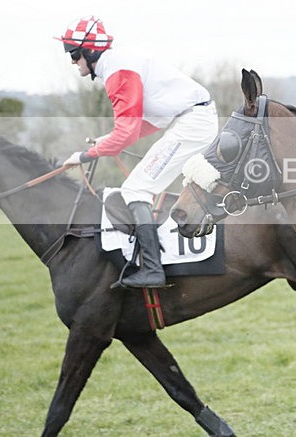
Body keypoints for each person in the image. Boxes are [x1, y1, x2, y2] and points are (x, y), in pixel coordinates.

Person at [56, 16, 219, 288]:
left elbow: (127, 133)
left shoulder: (117, 71)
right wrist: (107, 141)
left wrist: (85, 155)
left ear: (89, 51)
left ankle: (153, 271)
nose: (73, 62)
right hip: (191, 120)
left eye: (73, 55)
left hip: (193, 123)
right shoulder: (118, 64)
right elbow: (148, 124)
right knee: (138, 187)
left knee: (135, 190)